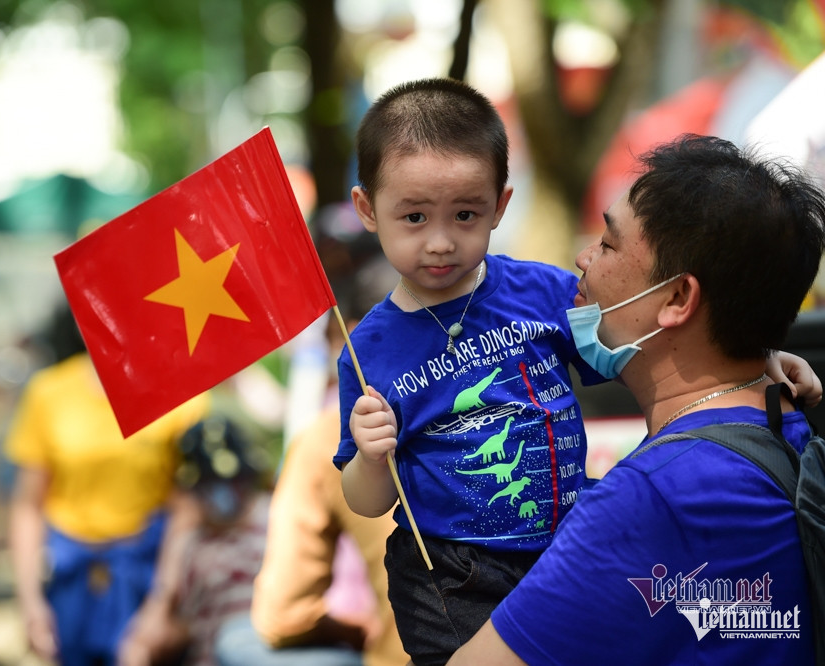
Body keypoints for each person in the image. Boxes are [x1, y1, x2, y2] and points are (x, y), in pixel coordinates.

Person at [333, 78, 821, 665]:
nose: (440, 242)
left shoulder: (539, 298)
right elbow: (364, 498)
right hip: (455, 567)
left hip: (555, 535)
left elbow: (695, 333)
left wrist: (761, 354)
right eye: (414, 217)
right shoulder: (368, 352)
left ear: (499, 207)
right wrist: (370, 458)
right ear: (368, 209)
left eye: (608, 246)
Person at [448, 134, 825, 664]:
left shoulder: (653, 497)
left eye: (607, 244)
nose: (583, 257)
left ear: (678, 298)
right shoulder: (786, 419)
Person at [5, 305, 208, 666]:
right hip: (71, 577)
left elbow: (188, 510)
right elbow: (28, 504)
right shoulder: (48, 393)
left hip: (146, 572)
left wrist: (161, 606)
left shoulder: (179, 395)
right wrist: (31, 602)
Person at [251, 405, 409, 666]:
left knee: (236, 639)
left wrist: (356, 632)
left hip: (405, 654)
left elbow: (283, 616)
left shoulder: (327, 435)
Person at [118, 415, 272, 666]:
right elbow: (161, 628)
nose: (223, 492)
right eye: (210, 483)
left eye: (231, 480)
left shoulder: (278, 521)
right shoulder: (189, 542)